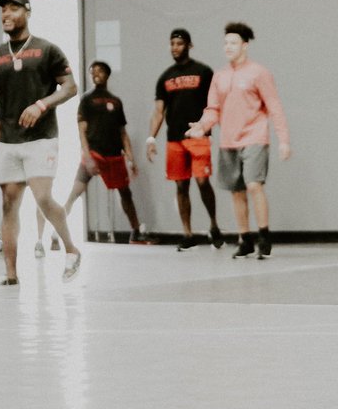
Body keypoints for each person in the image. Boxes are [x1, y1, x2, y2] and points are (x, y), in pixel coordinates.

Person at [0, 0, 82, 287]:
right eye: (3, 11)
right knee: (9, 204)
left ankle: (71, 249)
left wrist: (42, 104)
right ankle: (11, 274)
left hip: (41, 138)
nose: (6, 15)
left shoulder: (47, 50)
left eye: (13, 9)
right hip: (8, 141)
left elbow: (70, 87)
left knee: (41, 197)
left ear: (27, 12)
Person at [187, 22, 291, 259]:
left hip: (255, 137)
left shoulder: (259, 73)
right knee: (236, 191)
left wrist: (283, 139)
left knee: (254, 185)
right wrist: (202, 126)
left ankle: (264, 235)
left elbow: (274, 106)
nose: (228, 47)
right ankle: (245, 239)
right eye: (225, 43)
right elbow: (213, 108)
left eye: (233, 42)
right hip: (228, 140)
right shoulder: (219, 76)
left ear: (245, 45)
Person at [46, 61, 148, 243]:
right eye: (93, 72)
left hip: (115, 155)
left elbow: (122, 133)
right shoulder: (86, 99)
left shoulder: (116, 101)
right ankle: (57, 231)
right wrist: (87, 155)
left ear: (107, 74)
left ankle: (136, 231)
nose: (95, 74)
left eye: (99, 71)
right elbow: (81, 130)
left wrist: (131, 160)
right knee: (75, 192)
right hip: (94, 154)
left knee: (126, 194)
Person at [145, 28, 225, 251]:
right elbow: (159, 111)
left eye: (179, 44)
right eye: (172, 44)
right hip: (174, 139)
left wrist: (207, 126)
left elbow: (213, 104)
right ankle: (188, 234)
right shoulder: (165, 77)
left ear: (189, 45)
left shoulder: (203, 71)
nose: (175, 48)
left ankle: (214, 227)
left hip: (198, 136)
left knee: (202, 181)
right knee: (181, 186)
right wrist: (151, 138)